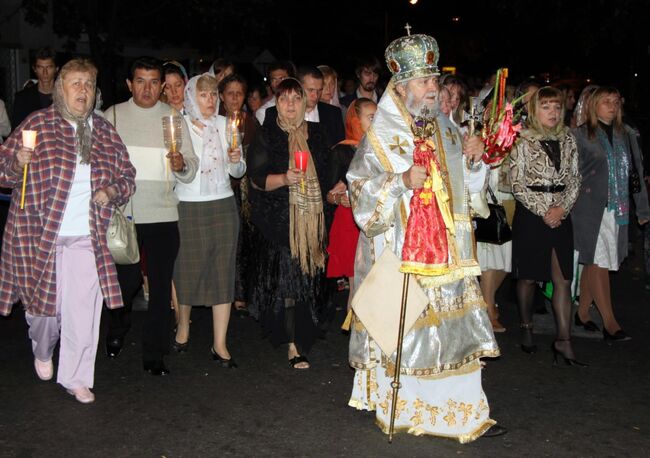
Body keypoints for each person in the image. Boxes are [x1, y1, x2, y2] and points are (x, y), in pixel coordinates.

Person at [346, 33, 504, 441]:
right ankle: (405, 406)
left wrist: (473, 161)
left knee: (452, 332)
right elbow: (359, 192)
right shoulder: (381, 136)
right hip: (401, 251)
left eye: (434, 80)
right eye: (423, 82)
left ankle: (463, 413)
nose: (432, 88)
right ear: (401, 88)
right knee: (410, 331)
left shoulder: (450, 132)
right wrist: (399, 181)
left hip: (447, 255)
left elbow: (470, 196)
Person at [0, 58, 136, 403]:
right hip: (38, 235)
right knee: (42, 313)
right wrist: (17, 162)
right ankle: (42, 350)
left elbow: (127, 176)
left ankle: (76, 377)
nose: (83, 91)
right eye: (75, 83)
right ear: (60, 89)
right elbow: (3, 172)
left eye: (89, 84)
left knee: (82, 312)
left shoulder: (104, 131)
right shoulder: (38, 124)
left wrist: (111, 192)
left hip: (86, 237)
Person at [104, 56, 198, 375]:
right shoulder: (112, 116)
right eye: (140, 81)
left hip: (162, 214)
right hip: (125, 217)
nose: (147, 88)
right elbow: (97, 167)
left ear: (161, 86)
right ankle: (117, 328)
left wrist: (181, 166)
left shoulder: (173, 118)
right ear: (130, 84)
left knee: (160, 289)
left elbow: (190, 165)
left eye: (154, 82)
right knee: (123, 286)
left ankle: (154, 353)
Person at [247, 78, 335, 369]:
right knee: (288, 283)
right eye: (284, 99)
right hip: (279, 220)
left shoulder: (318, 133)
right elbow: (256, 179)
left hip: (311, 219)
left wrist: (335, 191)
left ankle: (303, 334)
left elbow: (329, 173)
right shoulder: (268, 133)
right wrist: (284, 179)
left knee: (307, 281)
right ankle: (293, 344)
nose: (290, 105)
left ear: (304, 103)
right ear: (276, 102)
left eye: (296, 99)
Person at [172, 74, 245, 367]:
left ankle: (220, 343)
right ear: (192, 97)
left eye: (214, 95)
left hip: (223, 204)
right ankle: (183, 326)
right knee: (187, 269)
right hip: (189, 205)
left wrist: (237, 158)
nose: (210, 101)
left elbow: (238, 171)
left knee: (222, 270)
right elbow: (177, 170)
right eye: (204, 95)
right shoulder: (180, 125)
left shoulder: (225, 125)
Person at [510, 87, 584, 363]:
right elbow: (517, 184)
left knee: (563, 278)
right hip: (532, 214)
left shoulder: (568, 138)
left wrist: (562, 208)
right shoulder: (521, 140)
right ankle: (526, 326)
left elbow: (575, 178)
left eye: (556, 107)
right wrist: (545, 211)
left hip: (561, 213)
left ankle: (564, 339)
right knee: (528, 276)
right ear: (534, 111)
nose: (552, 112)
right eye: (546, 107)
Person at [572, 87, 650, 341]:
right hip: (588, 210)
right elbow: (571, 174)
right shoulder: (580, 135)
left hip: (617, 210)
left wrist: (643, 208)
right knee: (599, 262)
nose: (612, 106)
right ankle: (610, 321)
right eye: (606, 102)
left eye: (616, 102)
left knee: (597, 261)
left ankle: (582, 313)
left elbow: (635, 174)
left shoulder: (625, 134)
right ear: (594, 105)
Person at [326, 98, 376, 311]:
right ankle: (357, 337)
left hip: (375, 219)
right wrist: (339, 198)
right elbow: (327, 194)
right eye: (371, 117)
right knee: (357, 283)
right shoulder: (342, 152)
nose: (376, 122)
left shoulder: (383, 149)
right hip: (350, 223)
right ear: (356, 120)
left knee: (375, 282)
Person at [264, 66, 345, 148]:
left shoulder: (333, 113)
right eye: (310, 90)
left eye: (319, 90)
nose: (316, 95)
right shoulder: (274, 113)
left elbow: (340, 150)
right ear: (299, 87)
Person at [12, 47, 58, 128]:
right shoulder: (22, 98)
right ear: (35, 69)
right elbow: (16, 130)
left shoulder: (65, 97)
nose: (45, 72)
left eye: (49, 67)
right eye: (40, 67)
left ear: (56, 69)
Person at [255, 61, 295, 125]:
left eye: (282, 79)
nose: (278, 83)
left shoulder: (302, 104)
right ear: (270, 83)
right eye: (274, 80)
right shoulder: (264, 111)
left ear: (291, 79)